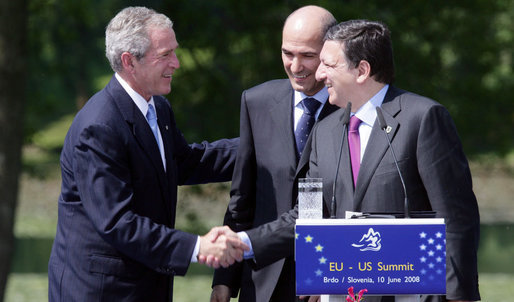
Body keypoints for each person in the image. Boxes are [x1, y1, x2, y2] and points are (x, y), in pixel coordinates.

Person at [240, 20, 481, 302]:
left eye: (328, 65)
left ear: (362, 70)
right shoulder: (324, 132)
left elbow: (455, 219)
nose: (319, 73)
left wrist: (458, 297)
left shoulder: (423, 118)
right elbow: (307, 215)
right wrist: (245, 243)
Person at [47, 6, 248, 302]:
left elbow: (184, 163)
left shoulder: (157, 107)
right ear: (130, 62)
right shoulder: (99, 127)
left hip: (145, 284)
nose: (176, 63)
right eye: (165, 54)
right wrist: (197, 247)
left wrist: (258, 147)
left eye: (174, 52)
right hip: (101, 292)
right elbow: (118, 222)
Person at [210, 5, 338, 302]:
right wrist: (224, 279)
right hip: (262, 281)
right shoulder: (257, 102)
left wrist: (327, 277)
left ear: (330, 53)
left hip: (327, 280)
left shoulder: (353, 110)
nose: (295, 66)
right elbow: (242, 200)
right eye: (287, 54)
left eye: (308, 55)